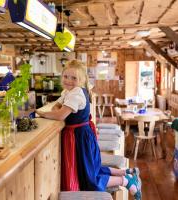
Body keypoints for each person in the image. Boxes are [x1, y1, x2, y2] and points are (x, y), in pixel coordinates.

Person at [36, 60, 142, 200]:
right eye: (66, 76)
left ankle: (127, 181)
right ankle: (125, 173)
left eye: (74, 78)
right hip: (81, 136)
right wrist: (58, 110)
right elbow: (57, 107)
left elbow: (60, 114)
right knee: (91, 169)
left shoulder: (77, 93)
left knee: (90, 179)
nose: (68, 80)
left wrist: (41, 113)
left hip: (81, 137)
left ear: (81, 80)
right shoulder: (70, 91)